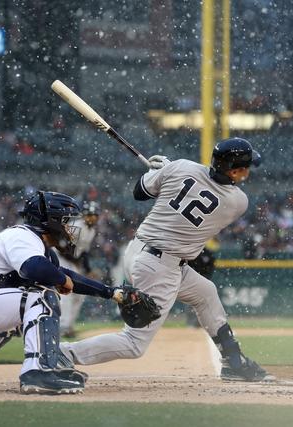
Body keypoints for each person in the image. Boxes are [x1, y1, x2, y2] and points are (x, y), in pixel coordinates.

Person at [59, 137, 275, 382]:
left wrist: (160, 173)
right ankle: (61, 353)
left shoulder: (181, 166)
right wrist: (169, 172)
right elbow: (197, 189)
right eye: (246, 167)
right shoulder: (237, 202)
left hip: (140, 252)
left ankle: (233, 362)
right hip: (159, 266)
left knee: (206, 293)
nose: (248, 171)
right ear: (234, 170)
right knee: (134, 343)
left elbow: (139, 192)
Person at [0, 191, 151, 394]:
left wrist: (113, 293)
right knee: (41, 297)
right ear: (51, 221)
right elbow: (34, 268)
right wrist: (60, 279)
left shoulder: (38, 245)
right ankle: (39, 371)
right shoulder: (22, 235)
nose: (71, 225)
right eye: (66, 220)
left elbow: (65, 275)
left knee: (21, 313)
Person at [58, 200, 101, 338]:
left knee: (79, 294)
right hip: (61, 259)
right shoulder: (76, 225)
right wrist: (75, 262)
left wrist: (87, 269)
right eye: (90, 215)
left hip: (72, 261)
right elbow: (62, 245)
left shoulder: (92, 230)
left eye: (95, 215)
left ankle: (68, 325)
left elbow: (84, 252)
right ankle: (63, 326)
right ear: (84, 215)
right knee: (68, 292)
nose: (92, 218)